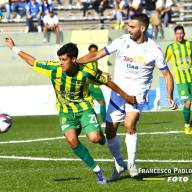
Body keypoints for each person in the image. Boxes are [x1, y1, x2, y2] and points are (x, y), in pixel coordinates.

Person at [5, 37, 136, 184]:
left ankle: (99, 136)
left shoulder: (86, 73)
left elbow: (108, 83)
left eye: (64, 60)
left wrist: (126, 97)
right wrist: (13, 48)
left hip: (85, 109)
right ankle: (97, 171)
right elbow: (32, 62)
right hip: (65, 112)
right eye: (59, 59)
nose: (60, 63)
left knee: (94, 138)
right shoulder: (53, 69)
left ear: (74, 59)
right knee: (72, 140)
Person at [76, 13, 177, 181]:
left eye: (132, 26)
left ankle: (131, 163)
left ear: (142, 28)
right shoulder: (121, 41)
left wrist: (170, 96)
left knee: (130, 124)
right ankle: (119, 162)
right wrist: (76, 63)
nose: (128, 29)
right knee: (110, 131)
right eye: (128, 26)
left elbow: (167, 74)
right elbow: (96, 55)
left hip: (138, 94)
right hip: (118, 93)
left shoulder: (154, 50)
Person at [165, 25, 192, 134]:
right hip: (181, 80)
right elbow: (163, 62)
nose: (179, 35)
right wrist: (168, 74)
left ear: (184, 34)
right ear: (175, 35)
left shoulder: (190, 44)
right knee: (188, 102)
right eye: (177, 33)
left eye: (181, 33)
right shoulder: (171, 47)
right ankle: (187, 127)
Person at [87, 44, 107, 128]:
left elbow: (96, 70)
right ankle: (104, 122)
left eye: (95, 51)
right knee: (102, 103)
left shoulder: (94, 60)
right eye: (92, 51)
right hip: (92, 84)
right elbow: (91, 72)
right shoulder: (89, 60)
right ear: (89, 51)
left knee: (88, 104)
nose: (93, 53)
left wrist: (104, 73)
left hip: (88, 84)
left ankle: (91, 122)